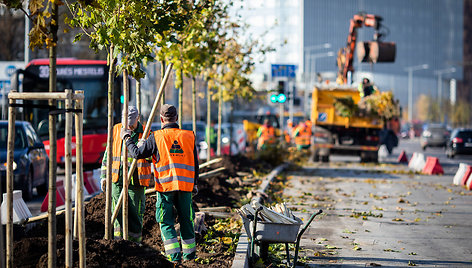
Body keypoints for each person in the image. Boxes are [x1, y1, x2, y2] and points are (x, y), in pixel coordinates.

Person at [121, 104, 199, 263]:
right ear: (176, 118)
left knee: (165, 221)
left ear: (161, 119)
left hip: (165, 188)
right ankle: (190, 257)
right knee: (186, 220)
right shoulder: (189, 135)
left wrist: (127, 138)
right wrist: (195, 184)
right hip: (185, 188)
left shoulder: (156, 137)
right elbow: (195, 163)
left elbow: (137, 154)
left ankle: (174, 258)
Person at [100, 106, 152, 243]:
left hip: (137, 182)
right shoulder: (116, 130)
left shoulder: (147, 133)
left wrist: (145, 149)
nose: (128, 126)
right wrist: (104, 176)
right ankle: (118, 242)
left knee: (135, 215)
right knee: (117, 214)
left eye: (131, 123)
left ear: (138, 118)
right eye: (125, 122)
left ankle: (135, 244)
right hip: (117, 179)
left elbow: (153, 158)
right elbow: (108, 155)